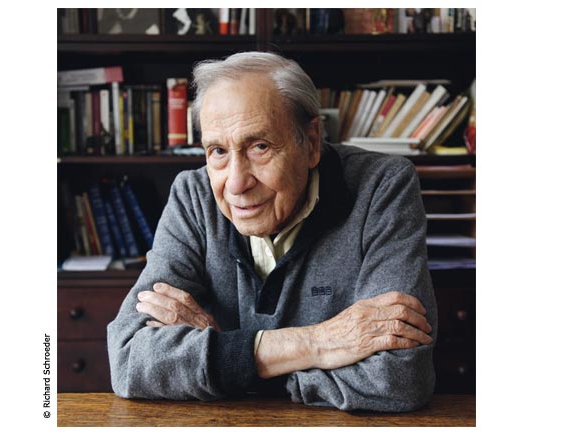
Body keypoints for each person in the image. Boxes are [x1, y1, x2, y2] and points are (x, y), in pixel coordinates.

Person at [107, 51, 437, 411]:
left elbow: (400, 377)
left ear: (311, 142)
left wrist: (227, 356)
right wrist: (316, 344)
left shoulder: (382, 187)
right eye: (218, 151)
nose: (236, 183)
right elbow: (129, 360)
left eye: (260, 147)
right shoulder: (193, 196)